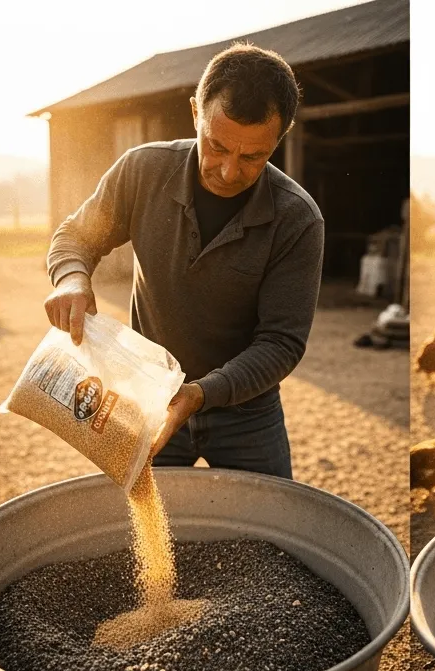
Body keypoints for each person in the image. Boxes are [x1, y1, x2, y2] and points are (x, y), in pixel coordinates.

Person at [41, 43, 324, 480]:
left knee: (267, 536)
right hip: (149, 395)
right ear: (195, 113)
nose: (229, 171)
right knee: (138, 525)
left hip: (248, 413)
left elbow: (281, 344)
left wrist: (199, 394)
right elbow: (75, 238)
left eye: (253, 157)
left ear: (280, 136)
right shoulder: (142, 171)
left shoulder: (297, 219)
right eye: (217, 146)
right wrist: (71, 279)